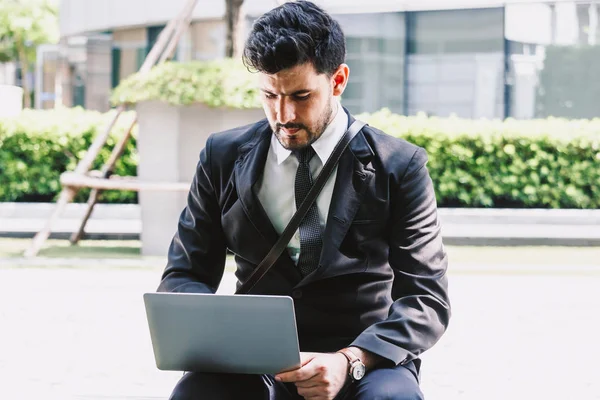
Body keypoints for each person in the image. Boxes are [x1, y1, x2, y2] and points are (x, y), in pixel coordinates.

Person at [157, 1, 450, 399]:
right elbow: (184, 274)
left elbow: (425, 299)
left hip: (365, 358)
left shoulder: (399, 165)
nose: (284, 115)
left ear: (339, 80)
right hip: (252, 357)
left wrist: (351, 359)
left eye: (301, 95)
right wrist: (215, 333)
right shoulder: (221, 156)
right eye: (269, 95)